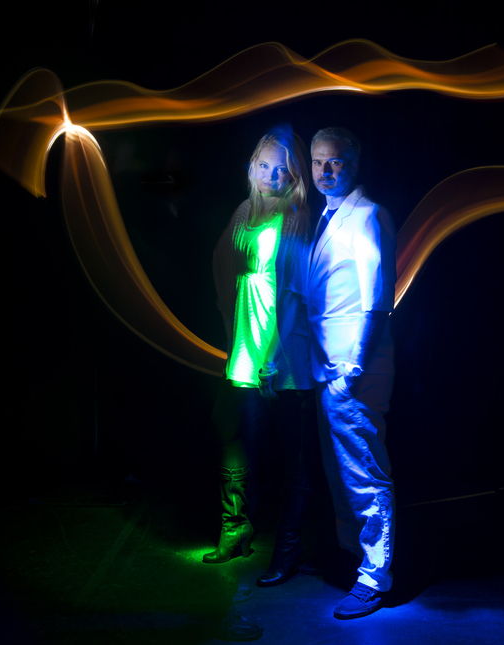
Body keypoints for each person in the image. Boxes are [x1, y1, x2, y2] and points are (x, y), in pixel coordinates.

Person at [206, 126, 316, 590]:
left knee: (293, 455)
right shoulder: (243, 212)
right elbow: (223, 266)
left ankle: (289, 551)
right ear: (252, 166)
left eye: (281, 168)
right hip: (246, 347)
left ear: (293, 174)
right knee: (232, 435)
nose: (272, 175)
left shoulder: (296, 217)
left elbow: (293, 294)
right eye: (264, 165)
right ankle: (236, 529)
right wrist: (232, 327)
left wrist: (270, 354)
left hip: (283, 351)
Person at [307, 127, 397, 619]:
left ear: (354, 164)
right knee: (340, 473)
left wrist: (353, 368)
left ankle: (374, 577)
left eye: (335, 161)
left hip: (352, 372)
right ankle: (355, 561)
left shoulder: (367, 215)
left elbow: (377, 301)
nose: (325, 170)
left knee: (364, 475)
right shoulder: (326, 217)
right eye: (317, 161)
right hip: (330, 372)